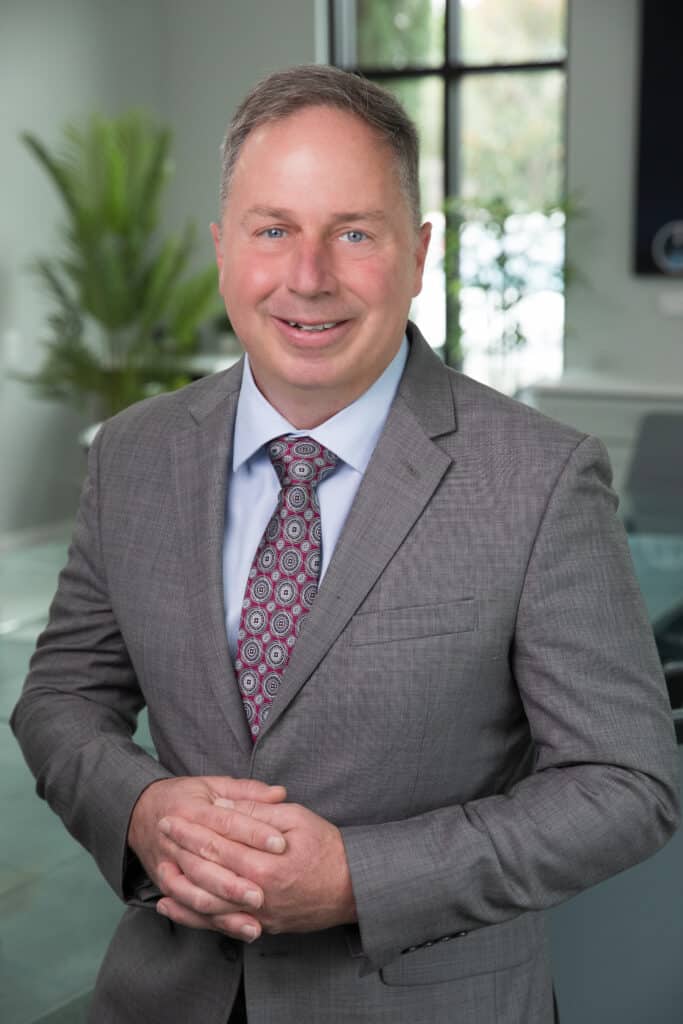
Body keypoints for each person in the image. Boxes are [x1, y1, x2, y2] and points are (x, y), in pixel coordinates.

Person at [12, 64, 679, 1024]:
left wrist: (359, 879)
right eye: (272, 228)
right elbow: (63, 695)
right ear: (222, 249)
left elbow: (627, 783)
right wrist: (141, 814)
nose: (308, 275)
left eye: (353, 233)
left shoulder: (539, 479)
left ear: (417, 255)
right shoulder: (134, 453)